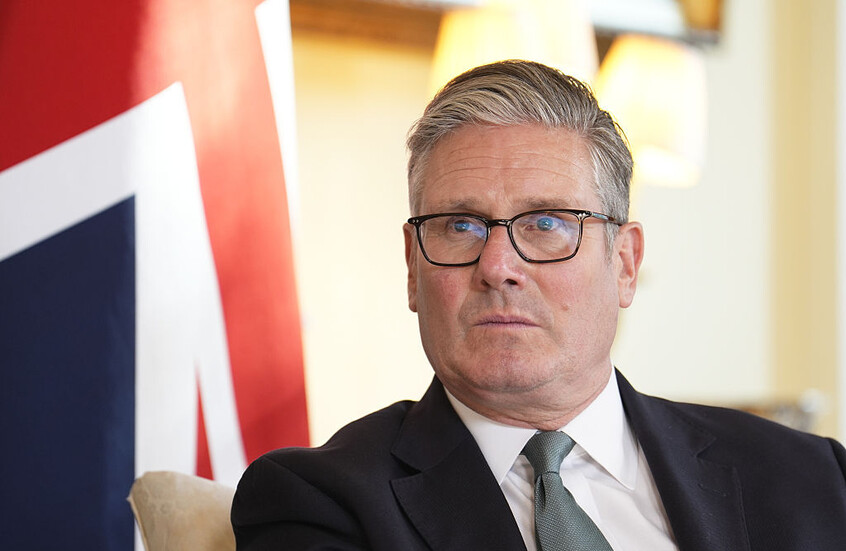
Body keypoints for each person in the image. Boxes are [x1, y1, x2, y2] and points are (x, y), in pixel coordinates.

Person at [231, 60, 846, 550]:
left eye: (547, 223)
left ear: (625, 264)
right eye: (461, 226)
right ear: (414, 269)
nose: (498, 266)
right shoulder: (318, 500)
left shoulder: (811, 477)